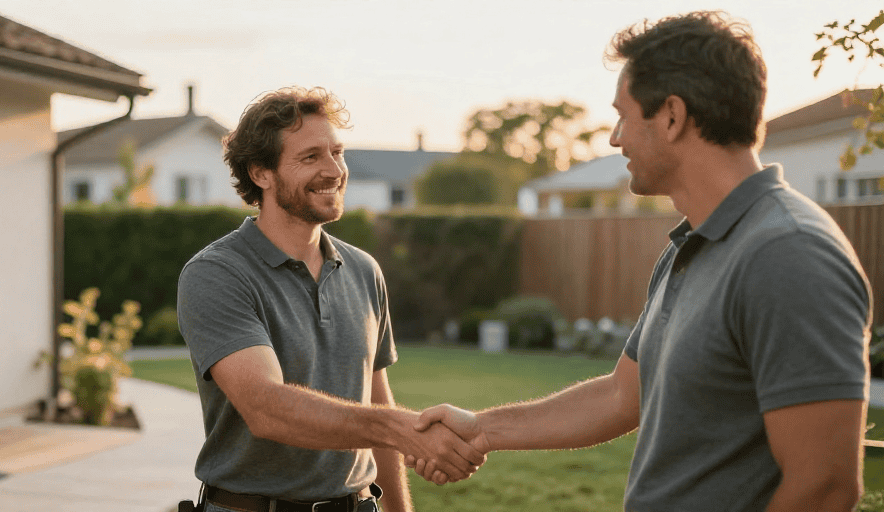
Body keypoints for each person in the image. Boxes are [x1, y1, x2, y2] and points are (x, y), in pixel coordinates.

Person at [411, 11, 873, 511]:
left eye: (623, 115)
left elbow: (825, 489)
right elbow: (620, 396)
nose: (615, 138)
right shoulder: (691, 245)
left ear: (671, 116)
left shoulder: (787, 253)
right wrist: (480, 429)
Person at [176, 86, 485, 512]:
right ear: (261, 173)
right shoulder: (218, 274)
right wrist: (403, 428)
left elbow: (377, 400)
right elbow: (266, 408)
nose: (334, 170)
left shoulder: (363, 270)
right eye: (310, 157)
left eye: (337, 152)